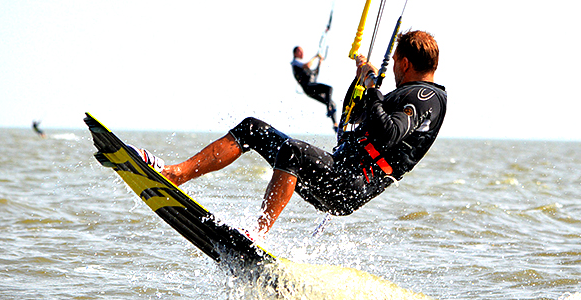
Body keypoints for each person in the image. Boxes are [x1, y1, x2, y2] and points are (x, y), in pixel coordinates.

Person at [133, 30, 447, 240]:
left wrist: (374, 86)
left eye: (394, 63)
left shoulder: (424, 99)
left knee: (293, 151)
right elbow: (356, 118)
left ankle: (255, 233)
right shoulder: (408, 94)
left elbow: (388, 132)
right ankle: (176, 174)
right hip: (337, 170)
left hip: (351, 185)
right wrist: (360, 84)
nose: (392, 69)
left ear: (404, 63)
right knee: (252, 128)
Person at [291, 46, 338, 131]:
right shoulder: (295, 62)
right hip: (309, 87)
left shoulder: (303, 67)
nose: (302, 53)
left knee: (332, 104)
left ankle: (335, 125)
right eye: (299, 51)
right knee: (329, 89)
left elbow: (314, 74)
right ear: (295, 53)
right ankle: (329, 110)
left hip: (311, 89)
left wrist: (319, 63)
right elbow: (307, 65)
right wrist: (316, 56)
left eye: (302, 51)